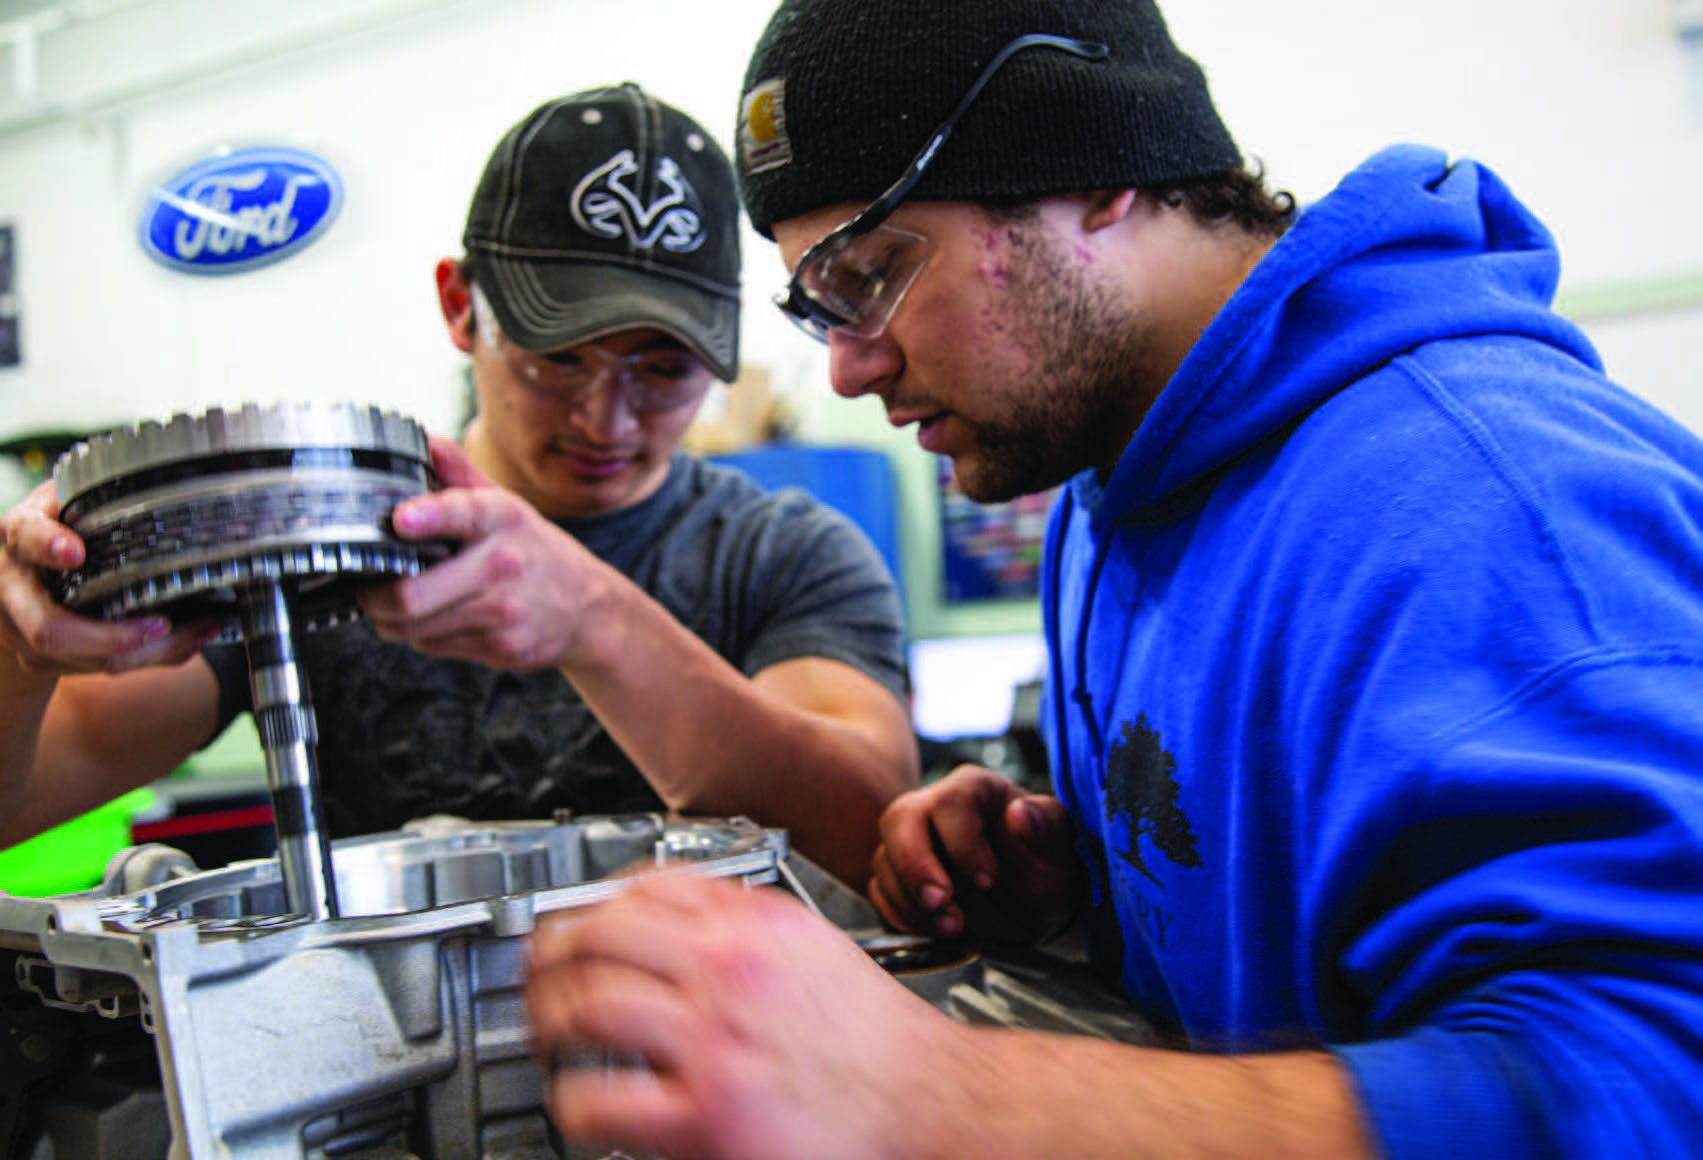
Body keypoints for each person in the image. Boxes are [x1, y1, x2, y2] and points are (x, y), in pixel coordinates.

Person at [521, 5, 1703, 1159]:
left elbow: (1655, 1082)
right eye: (817, 304)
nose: (844, 367)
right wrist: (1068, 891)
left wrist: (944, 1095)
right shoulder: (1105, 490)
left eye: (871, 273)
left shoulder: (1491, 504)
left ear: (1093, 171)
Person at [0, 82, 919, 889]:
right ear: (458, 306)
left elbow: (865, 835)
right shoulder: (327, 536)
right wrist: (22, 649)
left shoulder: (785, 555)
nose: (607, 419)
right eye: (556, 359)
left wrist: (595, 621)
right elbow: (28, 793)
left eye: (663, 367)